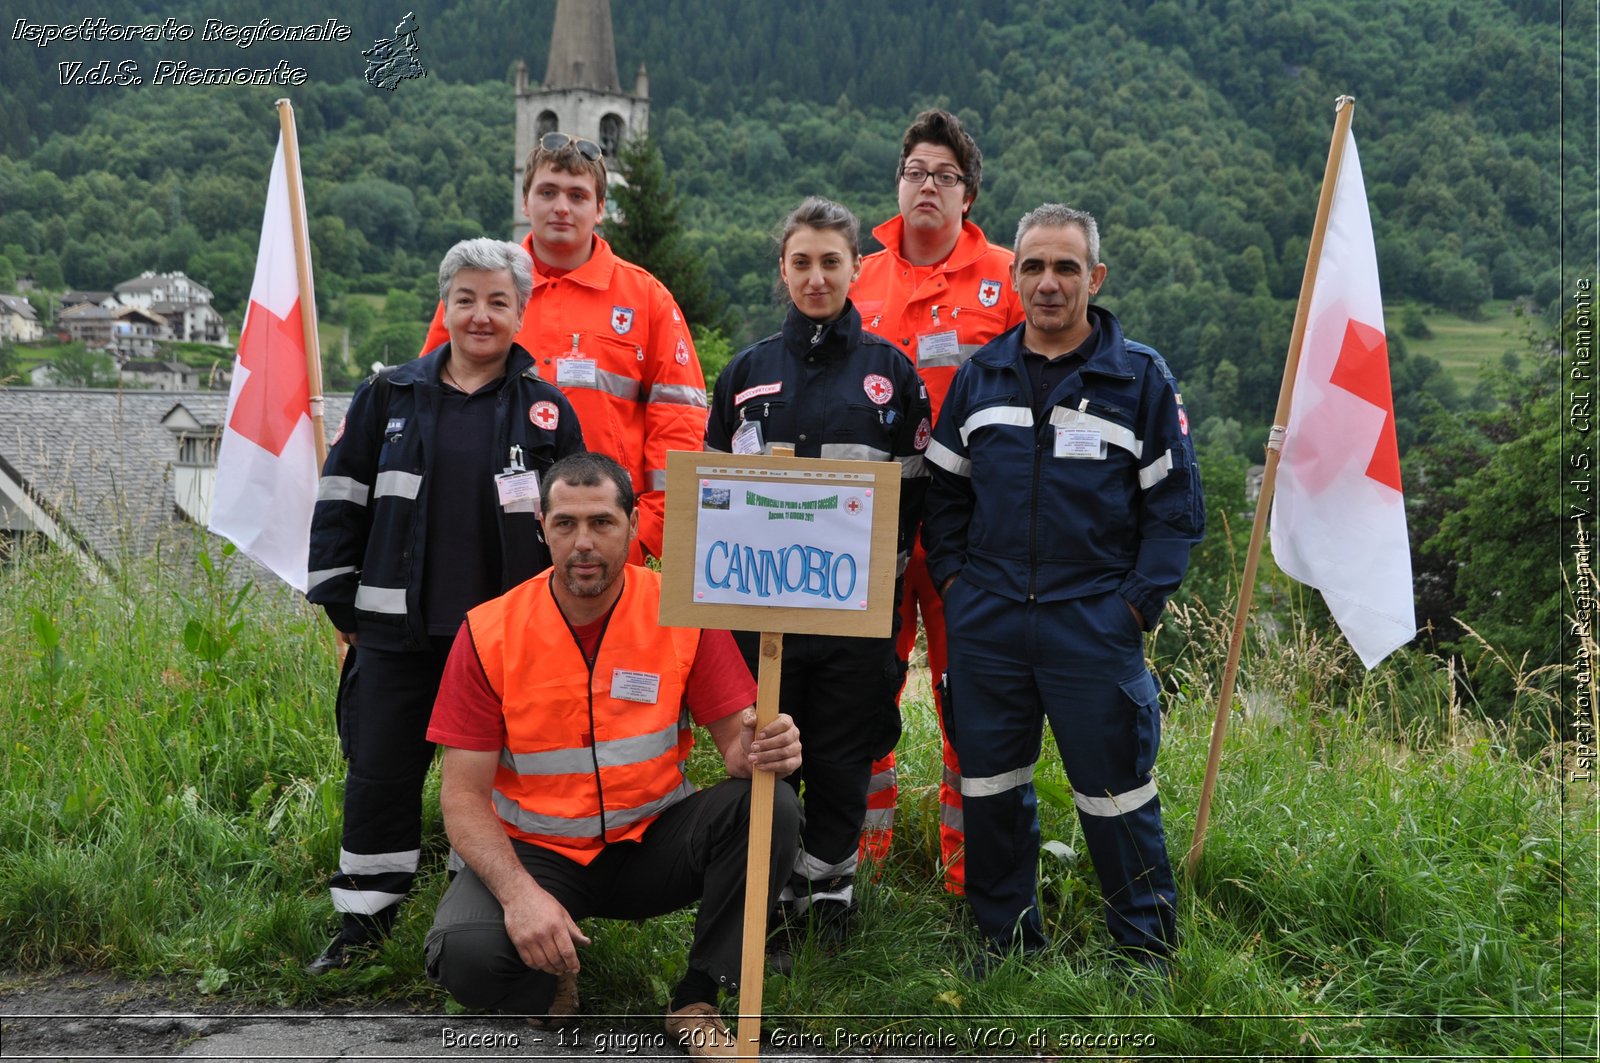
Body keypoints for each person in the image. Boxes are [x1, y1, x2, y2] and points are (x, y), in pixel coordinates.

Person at [423, 452, 802, 1059]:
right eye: (566, 523)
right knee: (465, 960)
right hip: (540, 855)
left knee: (772, 805)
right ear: (541, 527)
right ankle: (550, 978)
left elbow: (738, 746)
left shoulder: (682, 611)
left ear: (632, 525)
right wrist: (521, 897)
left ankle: (698, 997)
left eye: (602, 522)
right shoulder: (488, 632)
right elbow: (462, 799)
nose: (583, 544)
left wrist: (765, 746)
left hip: (653, 843)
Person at [921, 204, 1204, 975]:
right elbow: (943, 498)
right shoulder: (981, 376)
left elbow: (1176, 513)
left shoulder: (1138, 378)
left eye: (1067, 268)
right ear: (1013, 277)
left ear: (1096, 277)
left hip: (1094, 623)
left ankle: (1142, 957)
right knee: (991, 789)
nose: (1049, 283)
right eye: (1035, 267)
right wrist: (957, 586)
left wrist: (1132, 609)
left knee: (1117, 797)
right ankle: (1004, 946)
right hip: (991, 621)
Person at [304, 238, 585, 973]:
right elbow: (340, 502)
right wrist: (343, 607)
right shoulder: (388, 396)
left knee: (491, 787)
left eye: (498, 301)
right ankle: (362, 925)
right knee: (380, 776)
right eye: (467, 299)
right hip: (396, 635)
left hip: (501, 646)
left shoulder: (550, 414)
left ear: (522, 312)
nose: (481, 315)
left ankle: (474, 925)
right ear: (445, 306)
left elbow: (574, 527)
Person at [705, 197, 930, 944]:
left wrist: (881, 589)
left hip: (854, 621)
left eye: (831, 260)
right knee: (769, 754)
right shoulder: (744, 374)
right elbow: (716, 493)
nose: (816, 275)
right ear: (783, 269)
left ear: (855, 269)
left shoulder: (892, 378)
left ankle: (828, 892)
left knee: (842, 759)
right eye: (801, 261)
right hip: (762, 622)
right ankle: (764, 893)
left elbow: (919, 495)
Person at [851, 109, 1024, 890]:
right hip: (871, 529)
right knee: (861, 702)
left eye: (945, 175)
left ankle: (971, 879)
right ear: (899, 183)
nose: (928, 184)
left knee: (973, 708)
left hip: (971, 537)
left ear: (967, 195)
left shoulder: (1011, 277)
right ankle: (853, 868)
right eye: (916, 170)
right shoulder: (856, 276)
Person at [417, 132, 706, 566]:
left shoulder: (647, 298)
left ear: (600, 208)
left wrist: (646, 532)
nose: (562, 207)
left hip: (604, 535)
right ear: (525, 201)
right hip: (488, 528)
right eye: (547, 192)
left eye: (578, 195)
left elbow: (679, 422)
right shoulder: (478, 291)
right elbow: (430, 401)